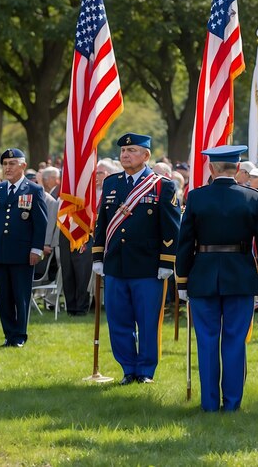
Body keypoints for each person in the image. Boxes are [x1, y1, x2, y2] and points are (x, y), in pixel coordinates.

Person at [175, 145, 258, 412]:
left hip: (203, 275)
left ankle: (209, 403)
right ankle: (232, 403)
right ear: (238, 168)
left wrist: (182, 280)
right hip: (240, 276)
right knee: (234, 340)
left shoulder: (196, 197)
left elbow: (184, 243)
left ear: (211, 168)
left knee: (207, 341)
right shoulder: (252, 197)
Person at [92, 133, 180, 385]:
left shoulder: (162, 185)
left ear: (146, 156)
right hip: (116, 265)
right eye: (123, 151)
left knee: (147, 322)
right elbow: (102, 223)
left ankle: (145, 371)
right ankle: (128, 368)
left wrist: (166, 262)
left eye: (131, 150)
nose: (125, 155)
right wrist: (99, 255)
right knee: (119, 321)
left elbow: (172, 228)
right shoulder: (111, 183)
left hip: (148, 267)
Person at [0, 149, 48, 347]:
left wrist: (36, 249)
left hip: (23, 253)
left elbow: (41, 223)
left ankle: (20, 336)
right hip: (0, 251)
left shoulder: (34, 190)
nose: (8, 167)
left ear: (23, 166)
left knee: (20, 296)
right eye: (5, 164)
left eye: (12, 163)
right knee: (3, 298)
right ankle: (9, 335)